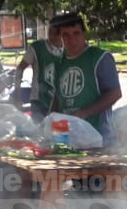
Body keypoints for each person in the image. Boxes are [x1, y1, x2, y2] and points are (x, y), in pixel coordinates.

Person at [52, 12, 122, 146]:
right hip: (68, 138)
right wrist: (50, 120)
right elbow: (57, 98)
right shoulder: (59, 63)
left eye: (76, 33)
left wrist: (85, 112)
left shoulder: (100, 58)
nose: (71, 40)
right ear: (61, 37)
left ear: (84, 34)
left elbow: (115, 93)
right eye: (66, 35)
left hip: (99, 138)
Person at [15, 16, 64, 120]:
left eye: (56, 34)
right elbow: (20, 69)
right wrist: (17, 93)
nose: (52, 36)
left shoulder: (68, 50)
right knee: (39, 131)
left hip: (61, 101)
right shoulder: (37, 47)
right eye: (50, 32)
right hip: (39, 100)